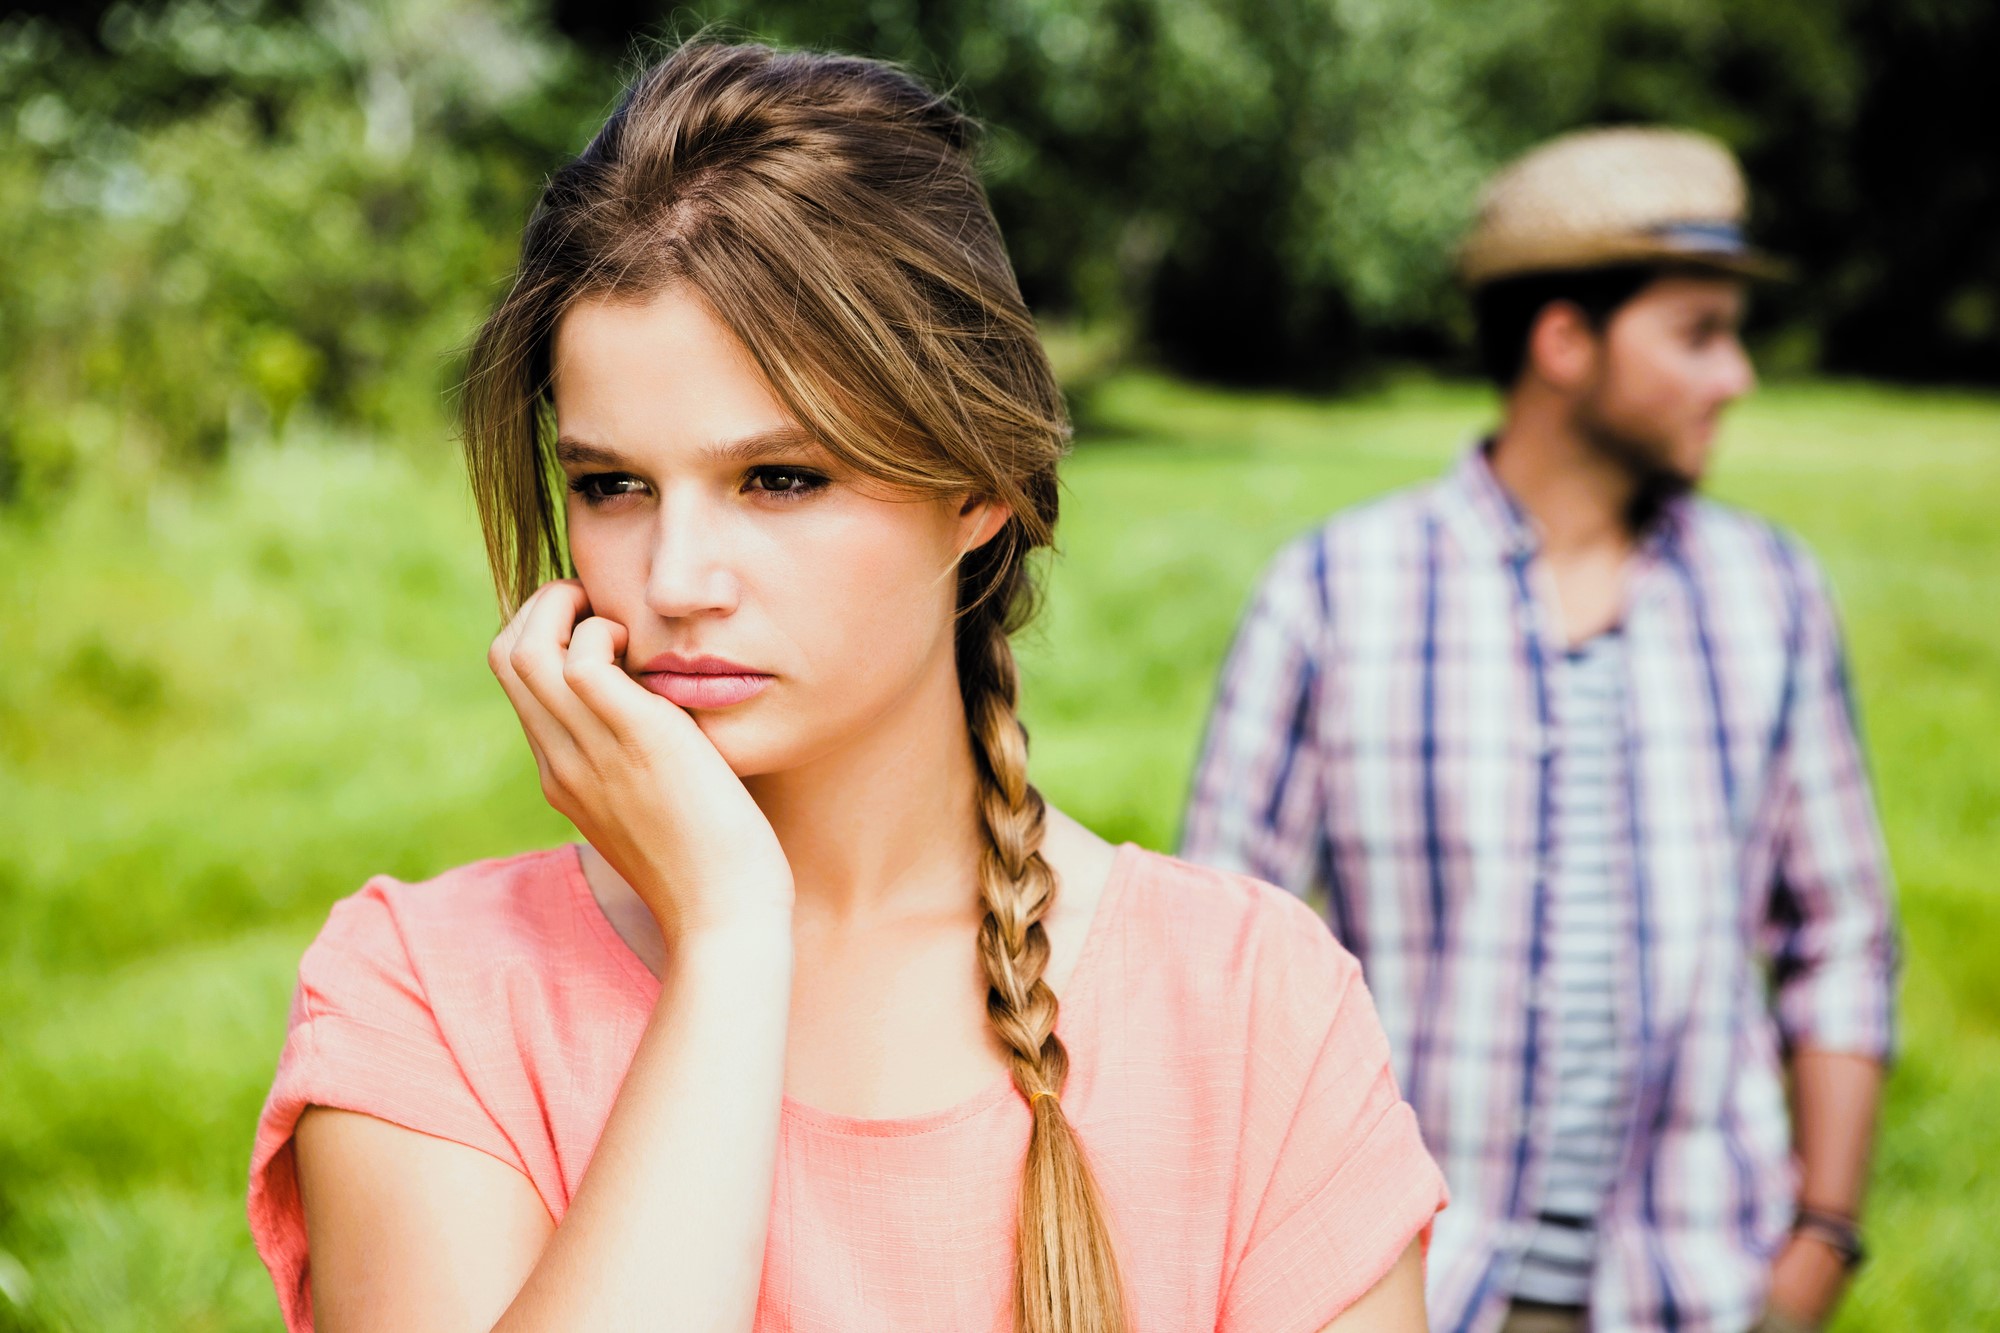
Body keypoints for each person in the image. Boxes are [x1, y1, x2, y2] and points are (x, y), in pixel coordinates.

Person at [245, 41, 1446, 1333]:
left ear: (978, 486)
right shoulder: (424, 994)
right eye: (612, 485)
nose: (678, 577)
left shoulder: (1254, 1006)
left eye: (781, 479)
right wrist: (727, 935)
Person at [1181, 127, 1897, 1333]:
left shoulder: (1769, 593)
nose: (1736, 377)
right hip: (1416, 1285)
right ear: (1563, 342)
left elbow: (1840, 937)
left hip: (1702, 1285)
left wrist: (1818, 1245)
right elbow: (1212, 970)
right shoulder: (1333, 593)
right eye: (1697, 334)